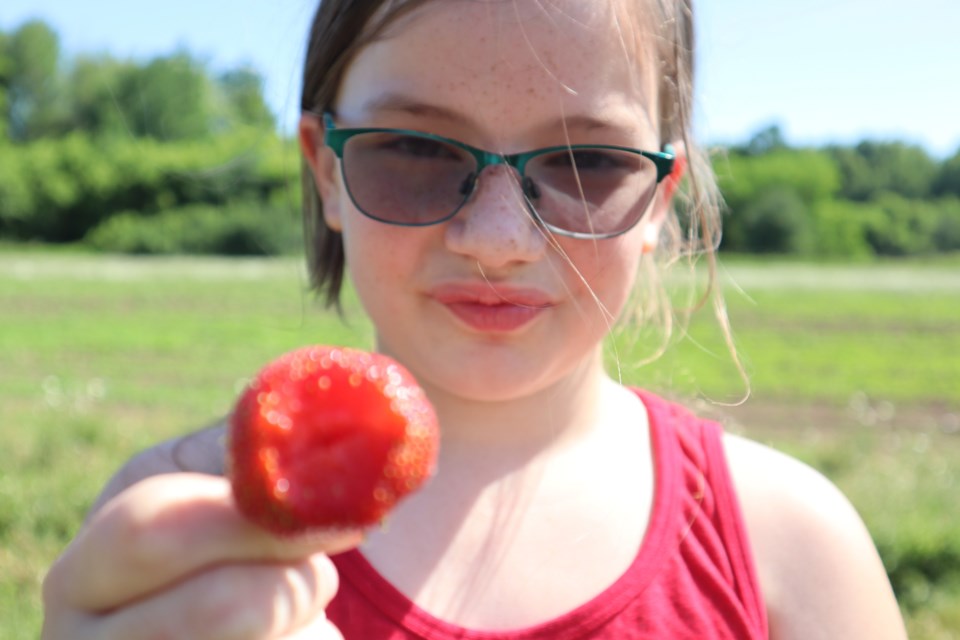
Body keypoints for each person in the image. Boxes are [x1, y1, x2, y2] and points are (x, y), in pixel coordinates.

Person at [42, 1, 908, 638]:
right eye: (416, 150)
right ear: (327, 174)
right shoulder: (183, 525)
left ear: (657, 202)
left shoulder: (791, 550)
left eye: (587, 160)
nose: (498, 241)